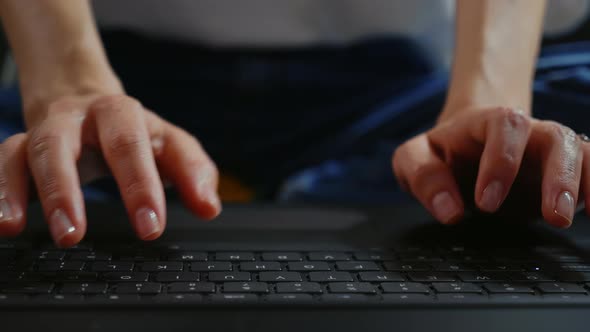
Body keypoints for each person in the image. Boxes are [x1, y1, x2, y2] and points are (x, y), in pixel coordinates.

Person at [0, 0, 587, 248]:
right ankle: (326, 196)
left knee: (565, 126)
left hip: (383, 87)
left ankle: (291, 193)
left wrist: (484, 104)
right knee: (24, 171)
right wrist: (68, 85)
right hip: (117, 69)